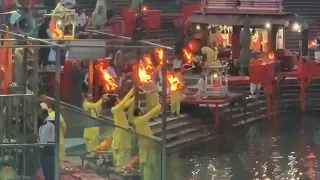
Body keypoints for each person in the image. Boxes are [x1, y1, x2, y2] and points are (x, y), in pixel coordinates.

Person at [133, 104, 162, 180]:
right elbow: (151, 113)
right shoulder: (141, 120)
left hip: (143, 143)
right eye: (141, 109)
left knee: (145, 162)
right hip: (147, 143)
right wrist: (159, 105)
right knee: (147, 163)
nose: (143, 110)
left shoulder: (136, 120)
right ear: (139, 113)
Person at [111, 88, 134, 166]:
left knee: (126, 151)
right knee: (121, 151)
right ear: (114, 102)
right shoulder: (115, 109)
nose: (119, 99)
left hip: (125, 132)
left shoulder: (119, 109)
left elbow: (127, 103)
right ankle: (120, 167)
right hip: (120, 134)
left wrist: (136, 96)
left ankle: (126, 167)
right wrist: (132, 90)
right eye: (117, 99)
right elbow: (124, 101)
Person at [47, 103, 67, 168]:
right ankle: (60, 167)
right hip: (58, 137)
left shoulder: (48, 115)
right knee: (60, 153)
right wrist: (63, 133)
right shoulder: (59, 115)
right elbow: (64, 126)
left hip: (49, 138)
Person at [38, 109, 55, 180]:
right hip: (50, 146)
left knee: (47, 167)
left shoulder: (47, 125)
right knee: (50, 167)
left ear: (44, 115)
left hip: (46, 148)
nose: (39, 117)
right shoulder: (51, 122)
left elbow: (43, 141)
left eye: (40, 116)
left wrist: (39, 143)